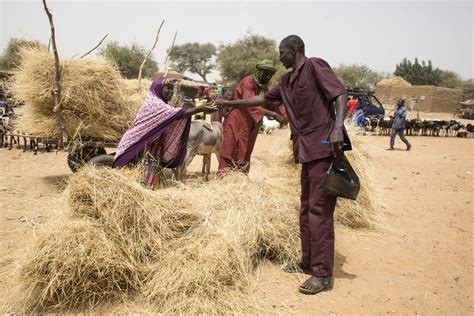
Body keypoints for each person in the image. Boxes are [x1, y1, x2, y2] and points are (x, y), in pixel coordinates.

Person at [216, 35, 350, 295]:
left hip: (323, 147)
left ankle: (322, 274)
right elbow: (260, 100)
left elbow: (339, 94)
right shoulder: (286, 82)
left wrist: (338, 126)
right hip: (305, 150)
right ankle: (307, 261)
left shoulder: (314, 66)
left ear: (294, 50)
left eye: (282, 52)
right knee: (306, 208)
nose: (279, 57)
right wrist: (229, 103)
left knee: (319, 211)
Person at [113, 76, 216, 189]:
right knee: (133, 179)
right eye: (168, 88)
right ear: (158, 88)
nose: (171, 92)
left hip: (152, 151)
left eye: (172, 89)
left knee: (147, 180)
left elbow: (174, 117)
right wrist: (199, 109)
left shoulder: (162, 104)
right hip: (137, 146)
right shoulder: (154, 103)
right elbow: (176, 114)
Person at [218, 59, 284, 174]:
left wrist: (285, 116)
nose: (268, 76)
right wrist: (271, 113)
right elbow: (249, 104)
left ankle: (241, 178)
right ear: (259, 71)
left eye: (270, 74)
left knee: (245, 151)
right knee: (230, 149)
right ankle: (224, 178)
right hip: (237, 120)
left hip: (251, 124)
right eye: (266, 73)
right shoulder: (248, 81)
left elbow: (270, 104)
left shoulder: (264, 87)